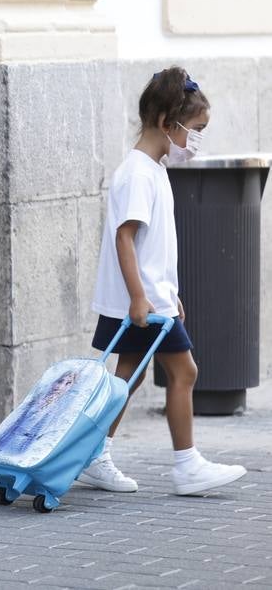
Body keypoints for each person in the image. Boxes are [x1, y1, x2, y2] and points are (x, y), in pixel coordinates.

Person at [77, 67, 247, 496]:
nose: (198, 138)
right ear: (164, 122)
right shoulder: (137, 173)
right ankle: (187, 466)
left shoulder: (153, 170)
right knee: (185, 371)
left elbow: (153, 247)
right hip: (143, 304)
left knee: (126, 379)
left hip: (153, 300)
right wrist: (140, 298)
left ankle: (96, 456)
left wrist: (171, 295)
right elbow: (125, 238)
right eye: (196, 129)